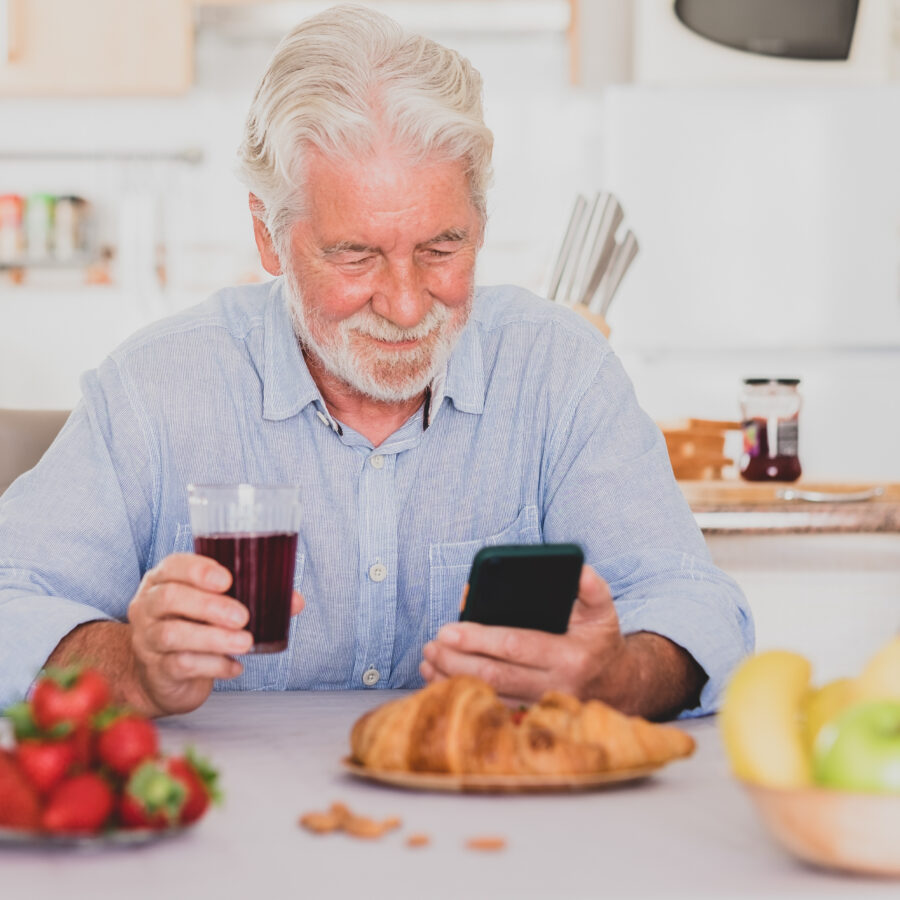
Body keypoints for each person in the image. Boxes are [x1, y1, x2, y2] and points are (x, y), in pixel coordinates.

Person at [0, 5, 752, 719]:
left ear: (481, 224)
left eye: (441, 248)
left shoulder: (560, 373)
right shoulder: (156, 388)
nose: (402, 303)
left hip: (498, 830)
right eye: (354, 253)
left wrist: (618, 676)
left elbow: (694, 604)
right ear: (268, 235)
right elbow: (11, 601)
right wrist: (132, 663)